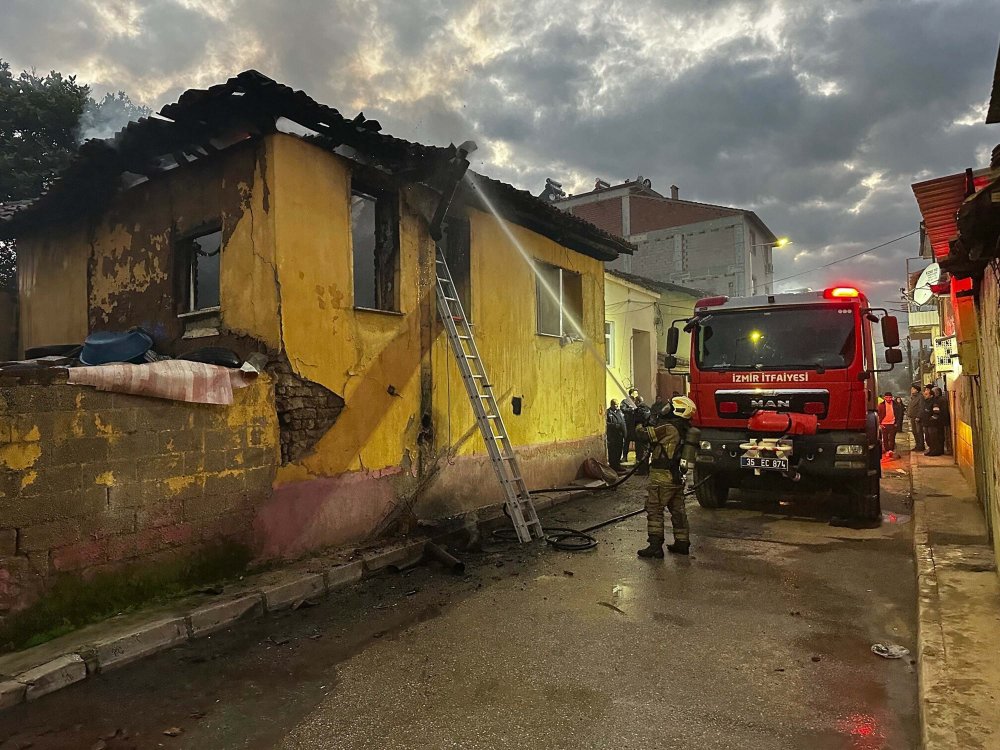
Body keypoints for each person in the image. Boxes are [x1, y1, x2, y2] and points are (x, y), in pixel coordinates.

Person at [637, 395, 697, 558]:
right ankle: (682, 543)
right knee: (678, 511)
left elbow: (645, 435)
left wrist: (639, 423)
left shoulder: (668, 428)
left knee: (654, 509)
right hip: (676, 476)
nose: (666, 409)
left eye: (670, 406)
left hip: (662, 476)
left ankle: (655, 546)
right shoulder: (685, 429)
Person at [922, 385, 945, 456]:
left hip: (933, 424)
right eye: (924, 394)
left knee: (934, 438)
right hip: (927, 424)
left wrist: (931, 420)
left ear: (931, 395)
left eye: (926, 394)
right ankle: (931, 449)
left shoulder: (934, 402)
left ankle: (935, 451)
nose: (925, 396)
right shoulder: (926, 402)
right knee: (929, 438)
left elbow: (936, 413)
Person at [605, 400, 626, 472]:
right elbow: (605, 423)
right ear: (612, 405)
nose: (617, 406)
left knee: (619, 450)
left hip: (619, 435)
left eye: (617, 404)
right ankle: (613, 466)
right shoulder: (608, 412)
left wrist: (625, 433)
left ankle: (618, 465)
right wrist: (614, 426)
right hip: (612, 436)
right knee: (613, 451)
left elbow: (623, 422)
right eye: (615, 405)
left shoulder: (620, 412)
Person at [633, 396, 653, 473]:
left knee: (640, 452)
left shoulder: (638, 410)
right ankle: (646, 468)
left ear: (637, 401)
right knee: (646, 451)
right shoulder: (648, 408)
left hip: (640, 433)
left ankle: (641, 470)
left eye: (635, 401)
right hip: (647, 432)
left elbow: (636, 421)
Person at [877, 391, 898, 458]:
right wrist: (880, 424)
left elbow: (899, 414)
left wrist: (896, 423)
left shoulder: (896, 405)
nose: (888, 399)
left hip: (892, 424)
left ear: (892, 398)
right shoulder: (881, 405)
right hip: (884, 424)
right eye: (887, 397)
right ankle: (887, 450)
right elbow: (878, 414)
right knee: (885, 438)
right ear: (884, 398)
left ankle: (891, 450)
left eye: (890, 397)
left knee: (892, 438)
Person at [933, 386, 952, 454]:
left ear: (937, 393)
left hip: (940, 420)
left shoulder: (939, 400)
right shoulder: (942, 399)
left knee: (940, 435)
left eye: (934, 392)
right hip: (942, 420)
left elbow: (938, 411)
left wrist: (934, 418)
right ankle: (942, 449)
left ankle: (940, 449)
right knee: (941, 435)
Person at [908, 383, 924, 452]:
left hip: (917, 418)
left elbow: (921, 407)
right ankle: (917, 445)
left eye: (913, 389)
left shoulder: (920, 397)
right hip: (912, 417)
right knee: (914, 432)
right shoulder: (913, 397)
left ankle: (921, 446)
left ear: (917, 390)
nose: (912, 390)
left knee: (919, 432)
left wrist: (918, 416)